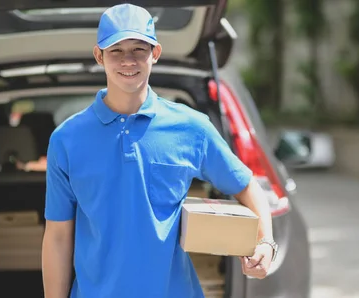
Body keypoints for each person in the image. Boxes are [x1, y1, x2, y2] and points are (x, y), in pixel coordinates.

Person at [41, 3, 277, 298]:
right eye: (116, 50)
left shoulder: (191, 128)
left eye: (139, 49)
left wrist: (265, 242)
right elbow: (59, 236)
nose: (128, 60)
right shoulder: (67, 139)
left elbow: (247, 186)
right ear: (99, 56)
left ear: (155, 53)